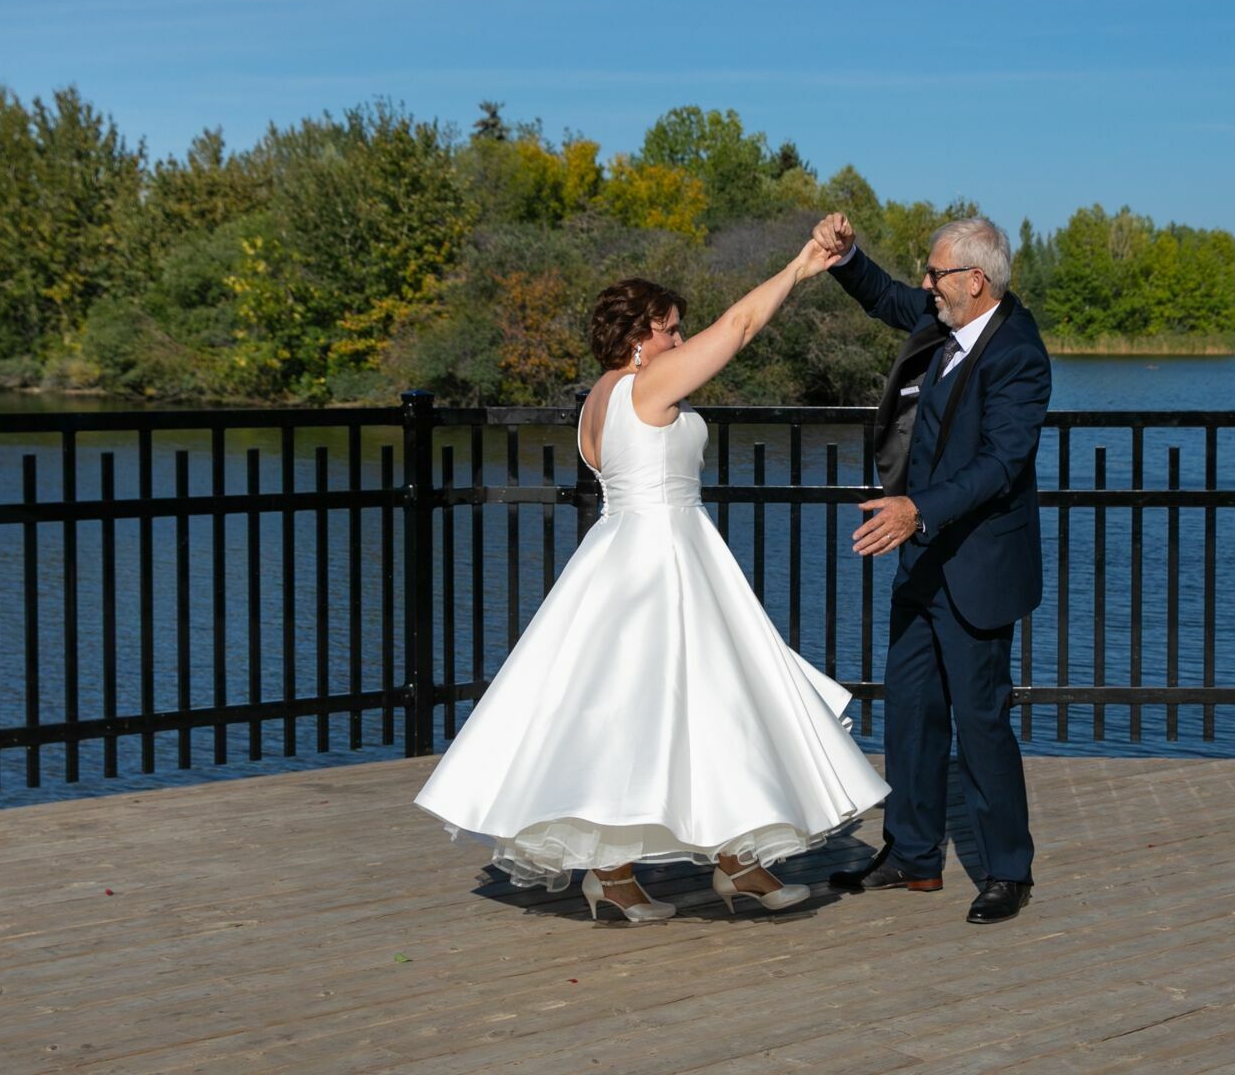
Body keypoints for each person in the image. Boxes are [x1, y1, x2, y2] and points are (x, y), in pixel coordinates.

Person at [415, 240, 890, 922]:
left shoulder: (596, 402)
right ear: (641, 337)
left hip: (623, 554)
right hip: (663, 559)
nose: (680, 337)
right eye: (671, 327)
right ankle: (630, 875)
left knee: (678, 708)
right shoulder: (646, 385)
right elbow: (740, 328)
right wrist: (799, 268)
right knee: (667, 710)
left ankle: (727, 863)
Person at [814, 212, 1050, 924]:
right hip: (922, 559)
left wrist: (918, 508)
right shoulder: (946, 319)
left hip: (976, 564)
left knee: (980, 723)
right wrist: (848, 256)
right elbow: (888, 297)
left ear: (976, 280)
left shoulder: (1019, 355)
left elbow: (1001, 465)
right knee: (913, 711)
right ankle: (913, 857)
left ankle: (1008, 870)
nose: (926, 285)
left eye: (937, 274)